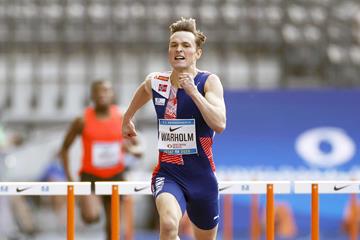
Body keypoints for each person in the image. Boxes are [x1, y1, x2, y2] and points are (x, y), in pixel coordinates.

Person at [122, 18, 226, 240]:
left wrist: (194, 93)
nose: (179, 49)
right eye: (173, 44)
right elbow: (144, 89)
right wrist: (128, 117)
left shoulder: (208, 82)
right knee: (169, 226)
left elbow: (220, 123)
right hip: (168, 174)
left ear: (197, 53)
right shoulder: (157, 81)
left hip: (202, 178)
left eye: (186, 45)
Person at [60, 80, 142, 240]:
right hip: (90, 176)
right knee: (90, 217)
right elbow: (64, 149)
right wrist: (69, 178)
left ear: (112, 95)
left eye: (106, 91)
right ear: (92, 95)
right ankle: (88, 206)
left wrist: (131, 149)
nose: (101, 94)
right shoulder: (81, 120)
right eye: (97, 91)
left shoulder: (122, 118)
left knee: (113, 229)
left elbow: (139, 149)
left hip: (116, 175)